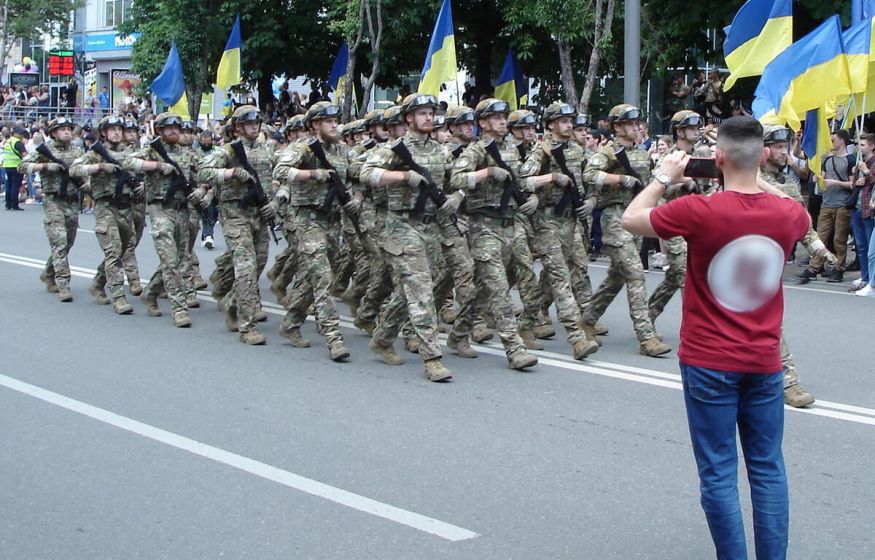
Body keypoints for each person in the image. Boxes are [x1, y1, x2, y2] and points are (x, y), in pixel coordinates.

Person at [622, 116, 809, 559]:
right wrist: (755, 174)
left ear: (717, 158)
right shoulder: (790, 214)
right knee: (767, 468)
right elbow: (785, 202)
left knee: (719, 472)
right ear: (765, 156)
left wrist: (664, 177)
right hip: (764, 360)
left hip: (709, 360)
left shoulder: (698, 210)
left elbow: (631, 219)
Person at [360, 93, 455, 381]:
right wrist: (403, 177)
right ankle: (432, 359)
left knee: (408, 292)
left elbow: (453, 180)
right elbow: (366, 173)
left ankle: (383, 336)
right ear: (409, 119)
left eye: (431, 113)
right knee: (422, 290)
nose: (429, 117)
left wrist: (457, 197)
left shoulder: (441, 151)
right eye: (422, 113)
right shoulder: (394, 150)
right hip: (401, 227)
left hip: (431, 227)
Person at [448, 98, 538, 370]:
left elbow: (522, 178)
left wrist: (531, 194)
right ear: (483, 123)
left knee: (482, 290)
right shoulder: (476, 150)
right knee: (499, 290)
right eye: (496, 117)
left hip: (509, 224)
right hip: (483, 226)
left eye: (504, 116)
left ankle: (459, 333)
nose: (502, 121)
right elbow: (456, 178)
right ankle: (514, 349)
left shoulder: (512, 148)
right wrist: (486, 172)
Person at [580, 103, 672, 356]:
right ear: (617, 127)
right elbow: (588, 174)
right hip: (614, 218)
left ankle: (587, 321)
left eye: (638, 124)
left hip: (635, 218)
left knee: (616, 278)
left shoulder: (642, 153)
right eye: (630, 124)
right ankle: (646, 338)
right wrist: (618, 179)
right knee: (635, 273)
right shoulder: (608, 152)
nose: (636, 128)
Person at [518, 102, 601, 360]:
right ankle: (577, 338)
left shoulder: (578, 150)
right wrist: (551, 178)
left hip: (572, 222)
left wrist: (592, 200)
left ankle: (524, 324)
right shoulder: (541, 151)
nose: (569, 125)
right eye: (563, 121)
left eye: (570, 120)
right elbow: (523, 180)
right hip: (547, 221)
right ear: (551, 124)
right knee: (560, 277)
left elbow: (592, 177)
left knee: (555, 278)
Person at [272, 101, 352, 361]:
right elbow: (280, 170)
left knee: (311, 276)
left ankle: (291, 322)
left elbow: (357, 174)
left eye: (335, 120)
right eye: (328, 121)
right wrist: (311, 173)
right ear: (315, 124)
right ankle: (333, 337)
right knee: (322, 277)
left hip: (332, 220)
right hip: (306, 219)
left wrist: (357, 196)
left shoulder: (342, 150)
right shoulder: (302, 147)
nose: (334, 125)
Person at [198, 105, 277, 345]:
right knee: (245, 268)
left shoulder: (268, 151)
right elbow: (203, 171)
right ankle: (247, 326)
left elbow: (280, 179)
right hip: (235, 215)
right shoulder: (228, 151)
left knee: (258, 264)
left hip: (260, 215)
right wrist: (230, 173)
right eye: (249, 123)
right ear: (238, 128)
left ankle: (234, 305)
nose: (255, 126)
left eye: (257, 123)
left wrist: (274, 202)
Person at [124, 112, 201, 328]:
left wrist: (202, 191)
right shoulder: (151, 151)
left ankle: (150, 292)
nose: (174, 131)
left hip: (182, 210)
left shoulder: (188, 153)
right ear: (159, 131)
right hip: (159, 210)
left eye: (177, 127)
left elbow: (205, 172)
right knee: (170, 260)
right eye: (169, 128)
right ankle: (179, 309)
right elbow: (127, 161)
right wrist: (156, 166)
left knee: (178, 258)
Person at [69, 114, 138, 315]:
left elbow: (143, 171)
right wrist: (99, 167)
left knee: (122, 250)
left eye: (120, 129)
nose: (117, 132)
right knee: (113, 250)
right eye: (112, 129)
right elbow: (74, 169)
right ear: (104, 132)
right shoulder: (95, 153)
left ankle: (98, 282)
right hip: (105, 207)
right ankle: (118, 297)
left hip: (126, 208)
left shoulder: (129, 153)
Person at [19, 117, 85, 301]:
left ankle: (48, 272)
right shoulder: (46, 150)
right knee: (60, 242)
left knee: (68, 242)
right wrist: (47, 166)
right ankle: (63, 284)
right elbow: (22, 166)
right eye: (62, 129)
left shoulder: (77, 150)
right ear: (54, 133)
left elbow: (83, 170)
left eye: (68, 129)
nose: (66, 132)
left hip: (72, 200)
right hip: (53, 201)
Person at [797, 129, 855, 283]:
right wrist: (818, 178)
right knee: (820, 237)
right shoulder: (827, 160)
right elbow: (822, 177)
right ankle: (815, 267)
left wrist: (837, 183)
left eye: (834, 139)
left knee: (839, 239)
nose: (831, 143)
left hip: (842, 204)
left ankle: (838, 269)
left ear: (842, 140)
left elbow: (853, 184)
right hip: (827, 203)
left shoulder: (851, 160)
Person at [4, 126, 27, 210]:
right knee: (15, 186)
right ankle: (14, 204)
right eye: (20, 133)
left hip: (7, 166)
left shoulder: (8, 141)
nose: (22, 135)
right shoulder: (18, 142)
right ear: (15, 134)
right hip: (16, 166)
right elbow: (24, 154)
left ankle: (8, 204)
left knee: (8, 186)